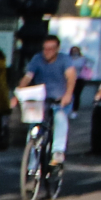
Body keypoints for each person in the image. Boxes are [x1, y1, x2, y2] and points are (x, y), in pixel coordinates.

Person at [17, 33, 80, 164]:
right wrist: (19, 92)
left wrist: (68, 94)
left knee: (60, 117)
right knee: (34, 127)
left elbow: (71, 77)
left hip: (59, 98)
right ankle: (32, 164)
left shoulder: (64, 60)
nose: (47, 52)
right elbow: (28, 77)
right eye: (45, 49)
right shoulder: (37, 59)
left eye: (51, 49)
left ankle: (58, 151)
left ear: (57, 49)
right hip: (42, 99)